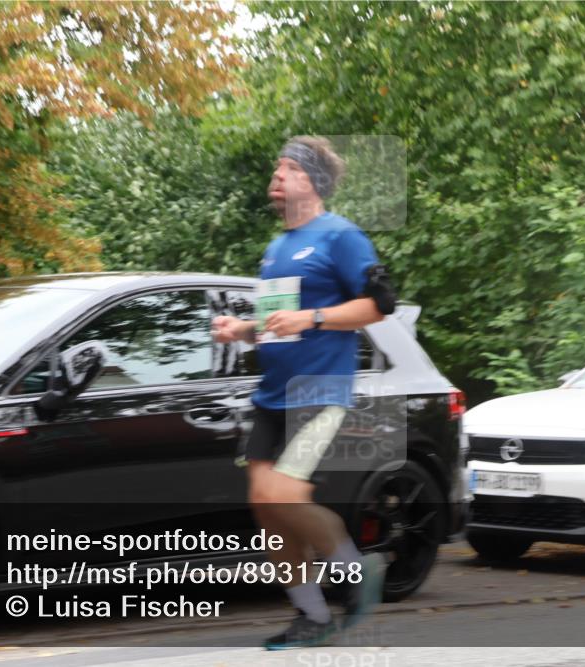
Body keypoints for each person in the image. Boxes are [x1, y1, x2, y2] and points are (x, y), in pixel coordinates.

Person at [212, 136, 398, 650]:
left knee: (284, 496)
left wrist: (313, 317)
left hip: (320, 392)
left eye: (289, 168)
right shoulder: (277, 249)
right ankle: (312, 615)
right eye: (277, 167)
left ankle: (356, 571)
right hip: (272, 396)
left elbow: (380, 305)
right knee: (265, 506)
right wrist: (241, 330)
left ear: (313, 181)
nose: (277, 175)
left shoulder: (341, 236)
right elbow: (279, 327)